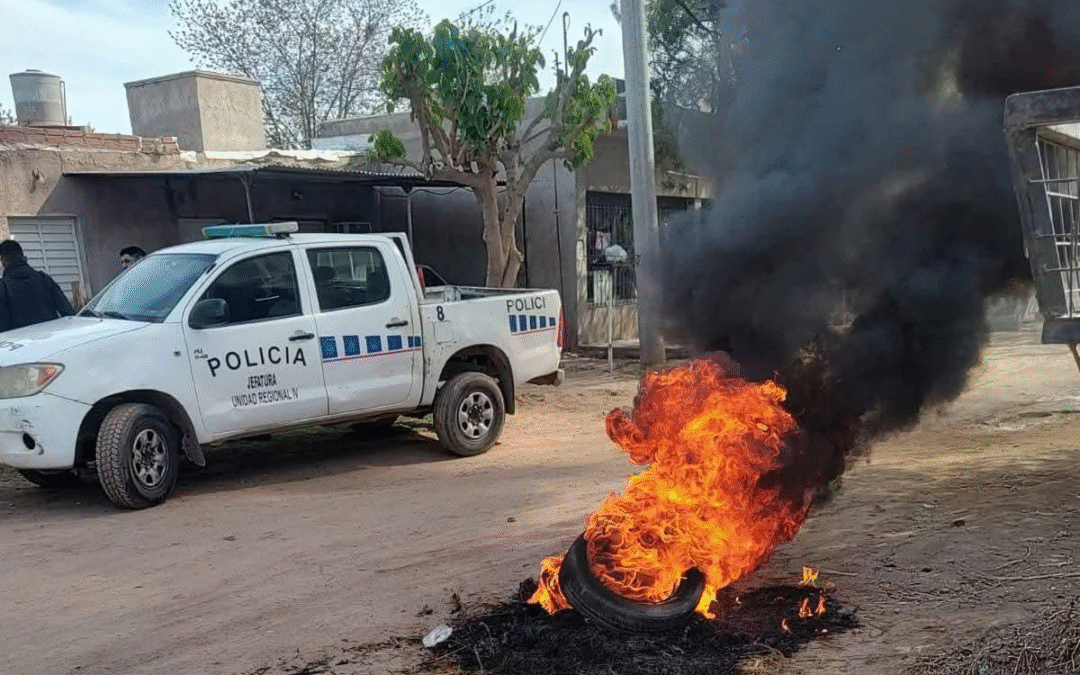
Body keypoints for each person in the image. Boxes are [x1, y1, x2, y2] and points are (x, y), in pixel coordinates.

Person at [0, 239, 75, 332]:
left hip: (23, 343)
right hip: (52, 340)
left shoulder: (3, 287)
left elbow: (2, 327)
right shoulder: (44, 279)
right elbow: (68, 313)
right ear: (23, 257)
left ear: (3, 262)